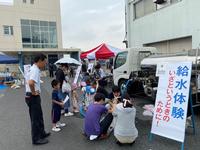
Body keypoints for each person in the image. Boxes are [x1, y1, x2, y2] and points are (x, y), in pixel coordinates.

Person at [25, 53, 50, 145]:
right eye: (44, 62)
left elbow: (32, 82)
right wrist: (33, 92)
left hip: (32, 96)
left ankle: (42, 133)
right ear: (40, 61)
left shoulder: (33, 69)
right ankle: (36, 139)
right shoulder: (35, 70)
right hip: (32, 97)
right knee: (35, 118)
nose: (45, 64)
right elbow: (31, 83)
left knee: (39, 116)